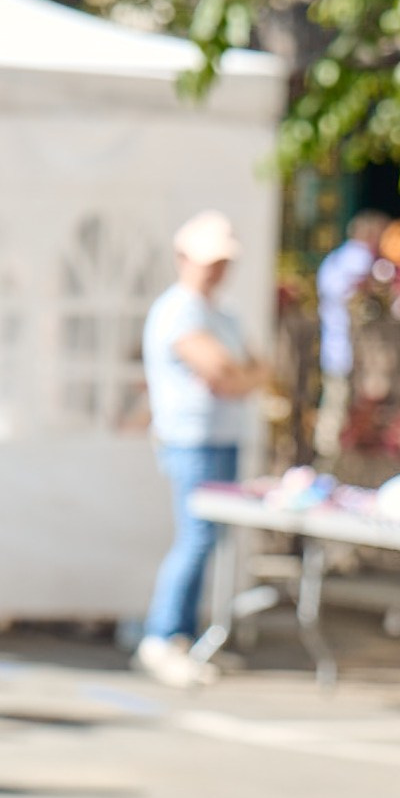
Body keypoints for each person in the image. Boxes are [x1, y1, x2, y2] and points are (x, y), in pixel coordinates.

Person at [137, 210, 264, 689]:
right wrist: (238, 376)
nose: (217, 271)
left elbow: (249, 371)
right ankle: (162, 635)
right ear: (184, 258)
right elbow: (225, 374)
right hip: (191, 439)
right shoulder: (180, 310)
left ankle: (182, 635)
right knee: (196, 538)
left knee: (209, 539)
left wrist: (239, 376)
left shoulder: (223, 313)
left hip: (222, 436)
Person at [314, 210, 385, 463]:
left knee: (335, 400)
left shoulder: (336, 258)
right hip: (347, 347)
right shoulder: (359, 257)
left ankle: (329, 454)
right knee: (340, 405)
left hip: (334, 344)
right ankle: (331, 459)